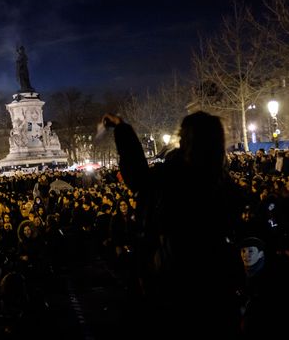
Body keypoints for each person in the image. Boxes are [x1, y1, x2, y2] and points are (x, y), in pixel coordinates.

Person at [101, 111, 247, 337]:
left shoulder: (173, 175)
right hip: (217, 285)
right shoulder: (225, 185)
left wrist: (122, 129)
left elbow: (137, 176)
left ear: (185, 140)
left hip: (173, 282)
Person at [236, 236, 289, 339]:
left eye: (250, 251)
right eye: (243, 251)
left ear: (261, 254)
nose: (245, 255)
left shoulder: (273, 276)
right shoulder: (240, 272)